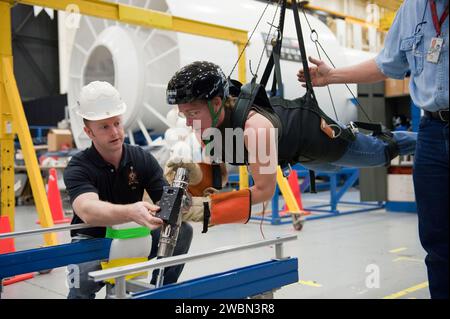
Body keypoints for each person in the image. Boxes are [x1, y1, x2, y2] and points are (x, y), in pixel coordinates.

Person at [297, 0, 448, 299]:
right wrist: (332, 76)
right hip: (431, 131)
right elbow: (386, 63)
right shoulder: (412, 9)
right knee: (437, 239)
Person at [163, 60, 416, 232]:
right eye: (183, 113)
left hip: (319, 140)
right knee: (334, 169)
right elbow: (220, 173)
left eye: (193, 112)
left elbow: (263, 191)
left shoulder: (256, 129)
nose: (187, 121)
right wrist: (196, 176)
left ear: (217, 103)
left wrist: (210, 211)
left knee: (380, 153)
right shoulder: (203, 125)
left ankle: (424, 139)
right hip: (300, 156)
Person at [63, 81, 193, 299]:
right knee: (79, 295)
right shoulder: (78, 166)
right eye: (104, 126)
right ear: (89, 131)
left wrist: (182, 200)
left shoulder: (141, 158)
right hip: (91, 242)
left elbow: (165, 199)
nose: (115, 132)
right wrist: (131, 212)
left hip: (132, 237)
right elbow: (87, 209)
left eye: (117, 123)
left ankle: (158, 293)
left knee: (183, 230)